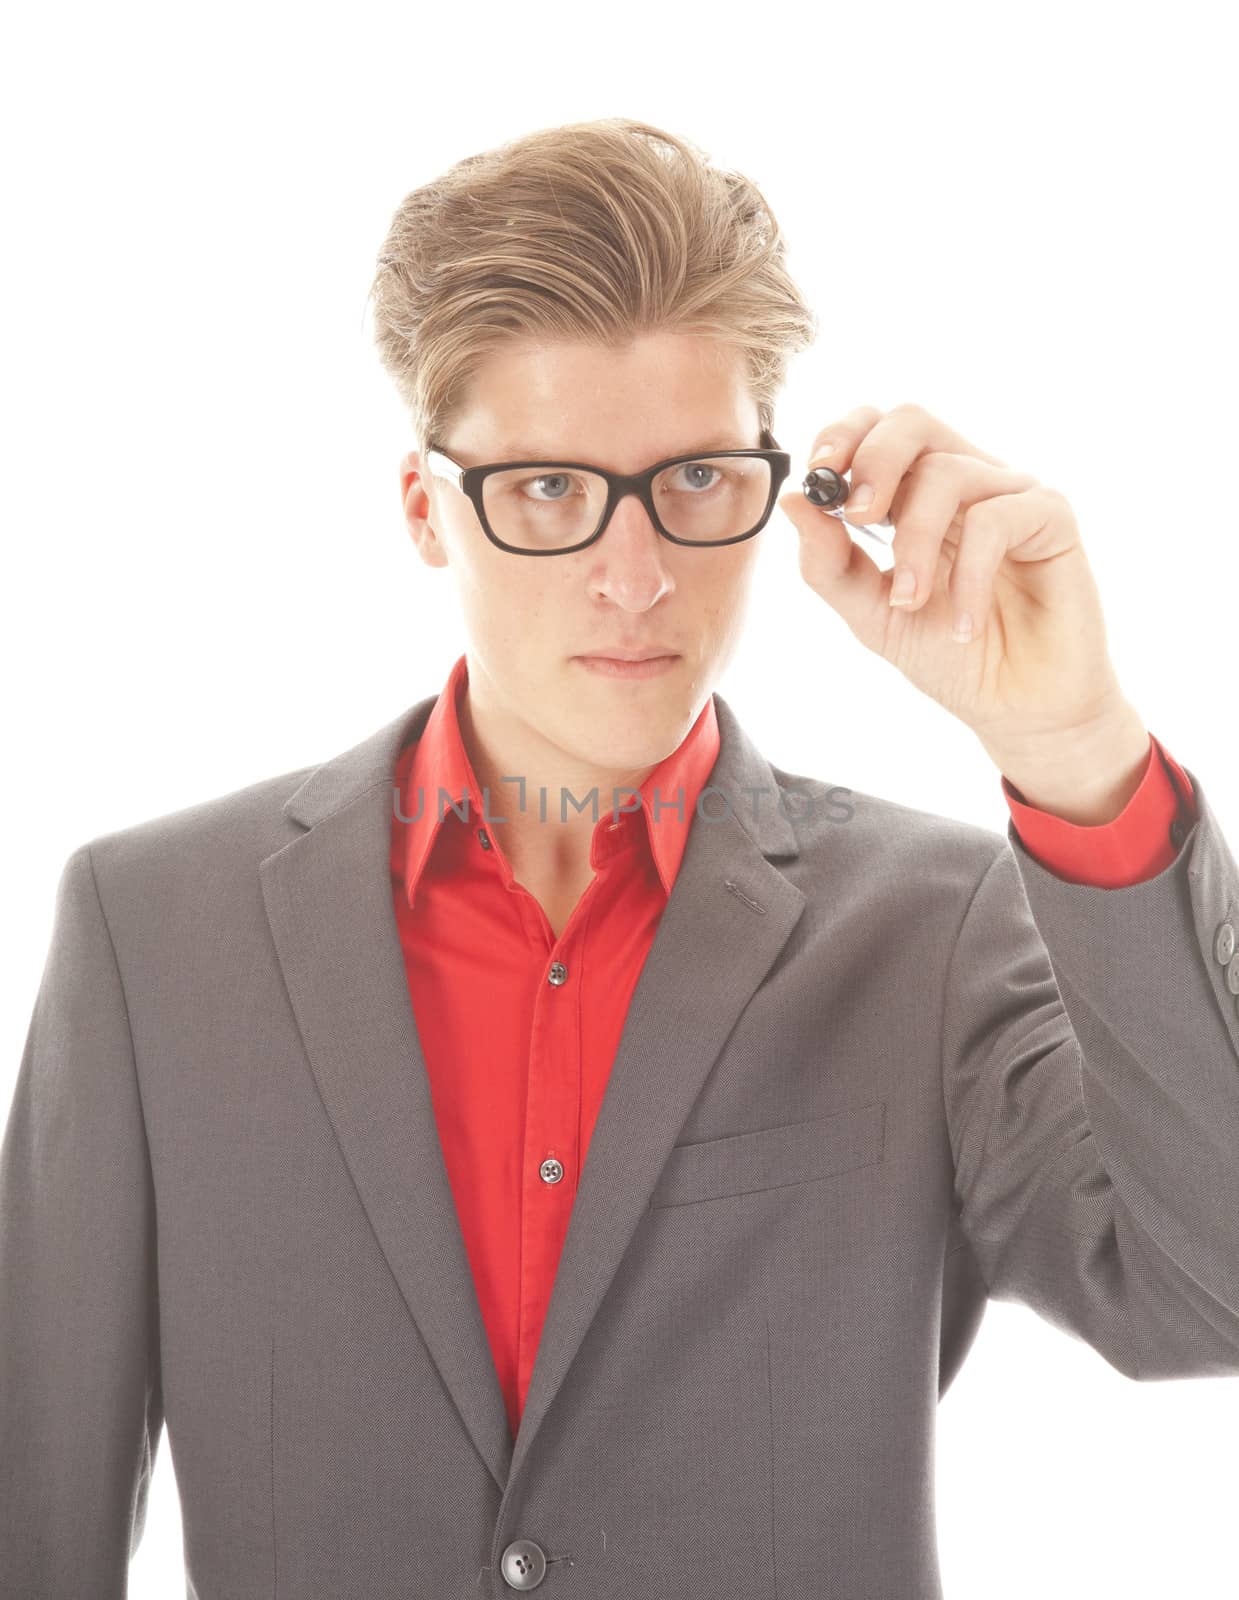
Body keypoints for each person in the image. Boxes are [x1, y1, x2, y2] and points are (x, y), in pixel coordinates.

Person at [4, 115, 1238, 1600]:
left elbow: (1209, 1296)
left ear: (777, 493)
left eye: (697, 482)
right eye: (546, 492)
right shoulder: (153, 933)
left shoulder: (934, 926)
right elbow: (38, 1520)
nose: (636, 575)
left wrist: (1079, 748)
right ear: (424, 509)